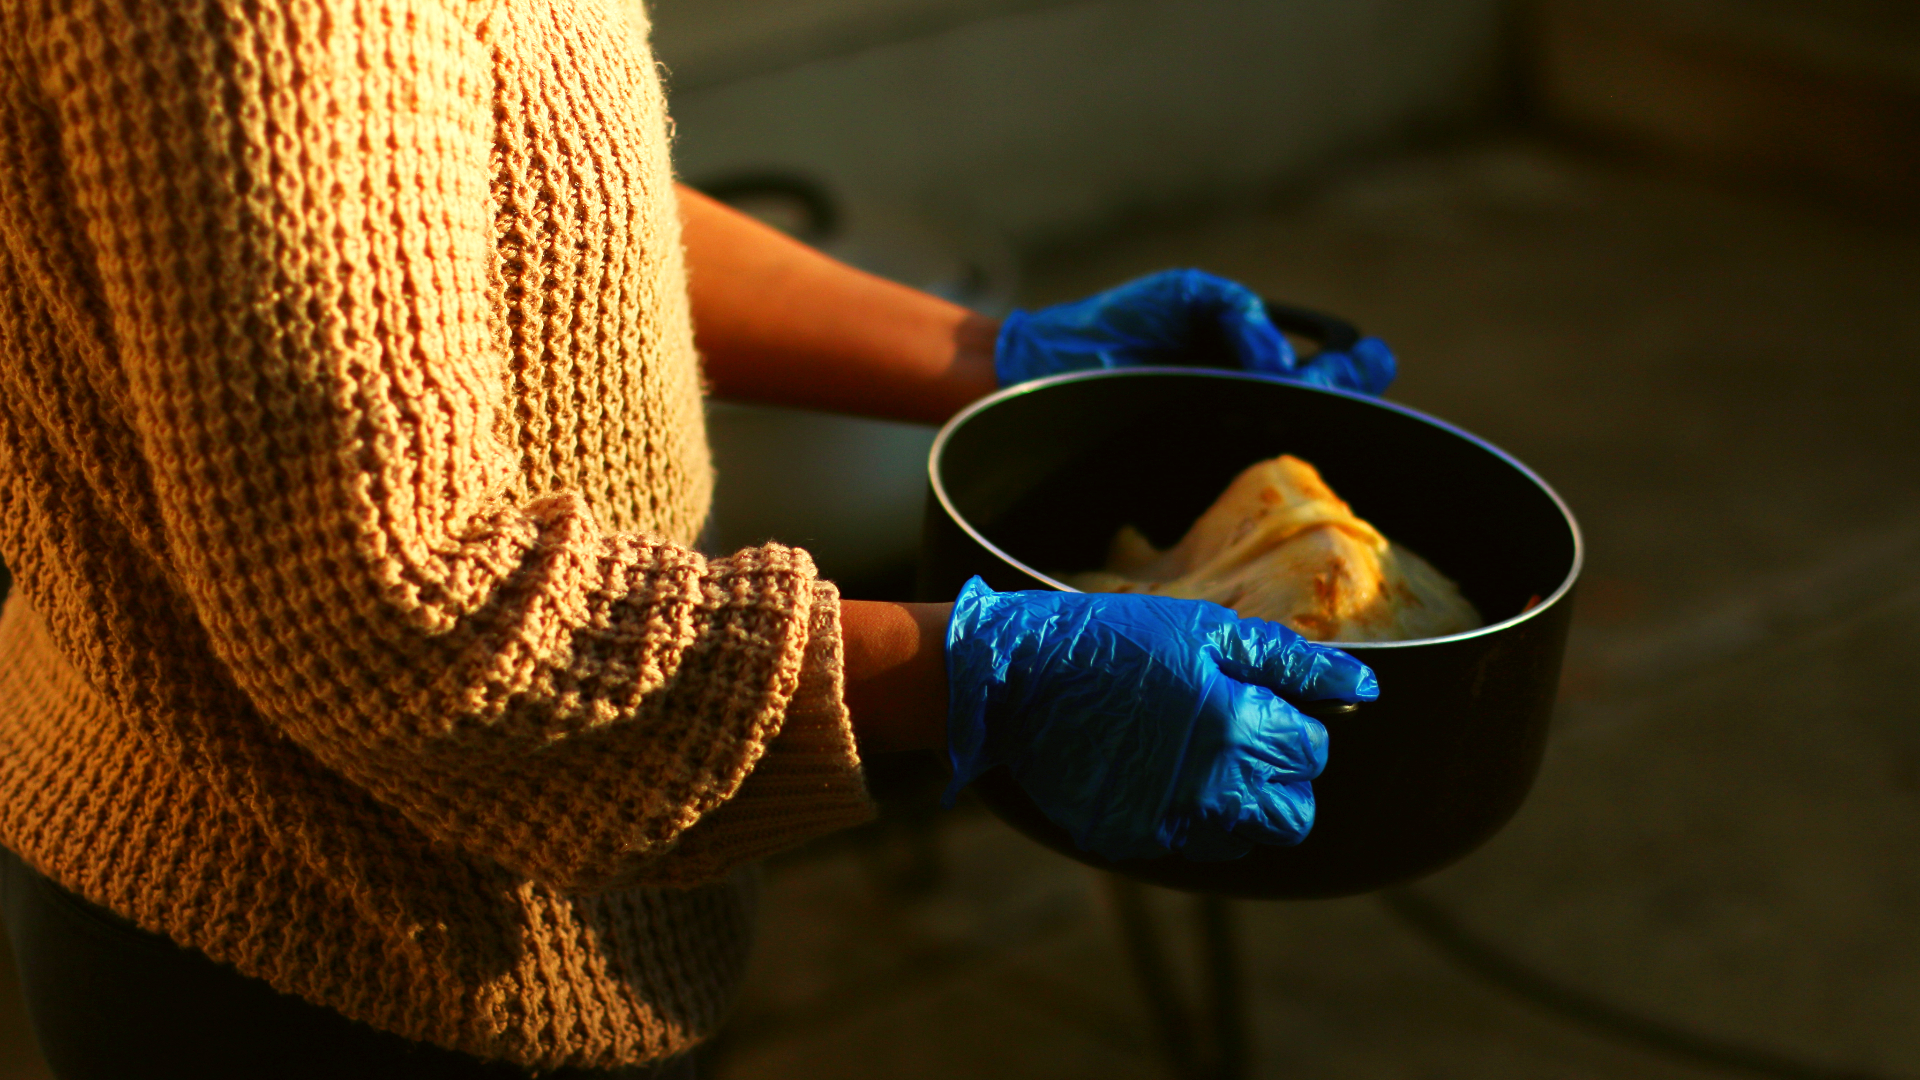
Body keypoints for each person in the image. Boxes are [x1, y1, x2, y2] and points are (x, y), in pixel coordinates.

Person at [0, 1, 1386, 1076]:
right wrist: (978, 679)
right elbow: (385, 607)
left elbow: (496, 197)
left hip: (518, 908)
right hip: (337, 952)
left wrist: (1009, 359)